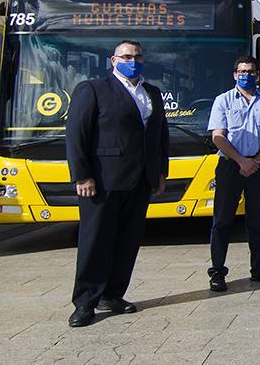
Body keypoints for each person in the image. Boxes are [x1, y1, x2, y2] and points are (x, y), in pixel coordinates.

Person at [65, 40, 168, 328]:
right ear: (113, 60)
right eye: (126, 56)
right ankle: (85, 301)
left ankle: (113, 294)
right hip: (102, 180)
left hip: (140, 181)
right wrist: (82, 175)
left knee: (127, 241)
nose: (132, 60)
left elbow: (160, 135)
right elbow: (76, 134)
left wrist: (160, 171)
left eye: (136, 56)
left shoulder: (152, 93)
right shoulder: (93, 89)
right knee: (95, 241)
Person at [205, 56, 260, 292]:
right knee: (222, 220)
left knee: (257, 220)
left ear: (257, 75)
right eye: (242, 71)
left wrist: (257, 160)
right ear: (234, 74)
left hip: (259, 166)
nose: (247, 75)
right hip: (230, 166)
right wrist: (241, 161)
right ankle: (217, 272)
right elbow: (217, 136)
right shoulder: (223, 101)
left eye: (251, 71)